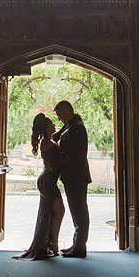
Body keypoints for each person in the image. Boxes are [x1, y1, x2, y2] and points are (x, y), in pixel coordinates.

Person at [13, 113, 66, 260]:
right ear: (46, 127)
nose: (54, 125)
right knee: (60, 210)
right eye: (51, 124)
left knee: (50, 212)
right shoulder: (47, 142)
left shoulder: (48, 140)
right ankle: (53, 245)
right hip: (47, 182)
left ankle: (49, 244)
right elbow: (59, 158)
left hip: (49, 181)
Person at [52, 100, 90, 257]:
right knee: (76, 211)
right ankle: (77, 244)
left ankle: (80, 247)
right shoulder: (70, 126)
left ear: (67, 112)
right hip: (72, 176)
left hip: (76, 176)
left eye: (60, 115)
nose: (59, 119)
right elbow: (55, 137)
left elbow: (74, 154)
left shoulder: (77, 128)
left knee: (79, 211)